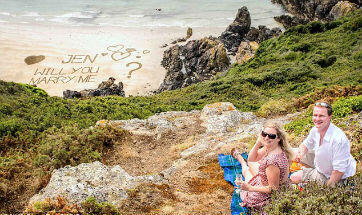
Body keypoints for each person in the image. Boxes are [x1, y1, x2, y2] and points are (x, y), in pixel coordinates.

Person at [232, 121, 294, 211]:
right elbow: (252, 159)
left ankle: (241, 161)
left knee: (247, 174)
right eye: (264, 134)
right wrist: (259, 142)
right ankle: (242, 161)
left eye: (271, 136)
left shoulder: (272, 161)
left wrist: (250, 188)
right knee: (250, 166)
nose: (267, 138)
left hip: (269, 196)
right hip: (268, 182)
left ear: (278, 138)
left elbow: (273, 189)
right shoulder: (273, 147)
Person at [290, 102, 356, 186]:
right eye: (315, 115)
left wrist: (327, 189)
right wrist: (300, 155)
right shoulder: (315, 130)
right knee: (291, 152)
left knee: (294, 177)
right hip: (321, 161)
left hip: (331, 175)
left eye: (321, 116)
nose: (317, 119)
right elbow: (305, 145)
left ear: (329, 118)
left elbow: (339, 171)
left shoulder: (338, 140)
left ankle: (307, 180)